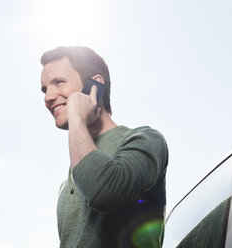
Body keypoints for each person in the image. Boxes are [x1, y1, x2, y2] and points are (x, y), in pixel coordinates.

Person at [40, 46, 169, 248]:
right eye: (45, 89)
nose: (48, 97)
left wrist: (76, 118)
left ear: (95, 85)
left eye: (58, 83)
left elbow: (105, 192)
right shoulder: (66, 184)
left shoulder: (145, 140)